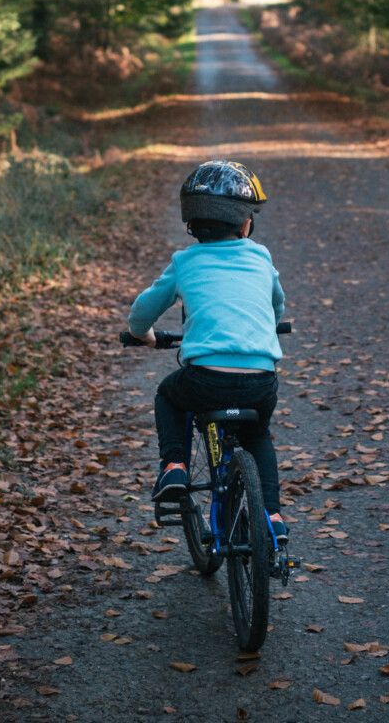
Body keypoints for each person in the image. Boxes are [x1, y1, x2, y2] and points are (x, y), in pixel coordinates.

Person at [128, 160, 290, 539]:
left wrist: (142, 334)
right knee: (257, 436)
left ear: (192, 222)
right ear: (245, 222)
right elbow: (275, 304)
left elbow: (143, 310)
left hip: (206, 380)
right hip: (260, 381)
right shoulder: (261, 257)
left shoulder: (185, 262)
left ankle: (175, 468)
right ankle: (274, 519)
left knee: (170, 394)